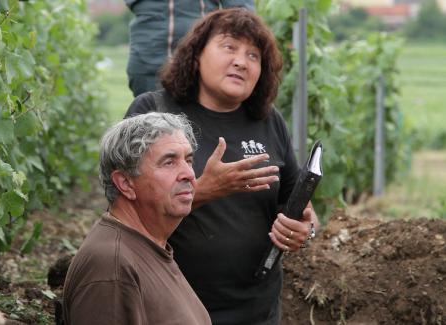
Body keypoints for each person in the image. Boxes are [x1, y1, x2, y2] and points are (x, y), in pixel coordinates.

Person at [125, 8, 320, 324]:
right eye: (229, 47)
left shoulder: (269, 122)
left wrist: (305, 228)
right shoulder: (153, 112)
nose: (241, 61)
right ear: (197, 54)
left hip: (258, 311)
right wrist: (200, 191)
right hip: (170, 308)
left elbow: (295, 203)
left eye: (253, 56)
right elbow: (124, 206)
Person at [62, 112, 211, 325]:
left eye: (188, 160)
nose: (188, 173)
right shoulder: (111, 268)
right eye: (169, 162)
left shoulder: (151, 245)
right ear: (125, 183)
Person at [125, 0, 255, 97]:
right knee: (148, 120)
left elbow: (241, 11)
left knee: (197, 122)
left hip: (197, 56)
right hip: (147, 56)